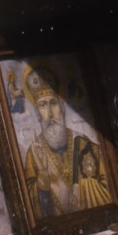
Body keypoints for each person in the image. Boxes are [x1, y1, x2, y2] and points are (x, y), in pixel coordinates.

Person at [22, 67, 76, 219]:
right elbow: (34, 210)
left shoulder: (86, 146)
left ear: (63, 108)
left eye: (53, 103)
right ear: (38, 115)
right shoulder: (34, 154)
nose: (50, 114)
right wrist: (43, 177)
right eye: (43, 105)